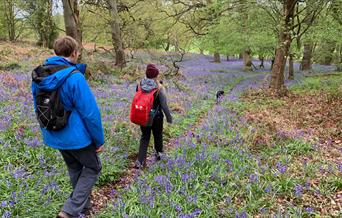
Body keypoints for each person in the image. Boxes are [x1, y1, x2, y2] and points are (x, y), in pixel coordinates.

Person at [31, 36, 104, 218]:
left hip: (54, 134)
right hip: (77, 137)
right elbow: (90, 113)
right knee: (93, 167)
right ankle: (69, 211)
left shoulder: (39, 75)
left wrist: (46, 131)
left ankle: (84, 207)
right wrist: (99, 139)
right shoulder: (75, 77)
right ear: (74, 53)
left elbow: (37, 105)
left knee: (75, 168)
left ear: (55, 52)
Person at [135, 64, 172, 168]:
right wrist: (169, 118)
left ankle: (140, 162)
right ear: (156, 75)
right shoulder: (159, 88)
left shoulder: (139, 85)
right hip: (157, 117)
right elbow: (164, 105)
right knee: (158, 136)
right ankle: (159, 158)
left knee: (144, 137)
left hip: (143, 116)